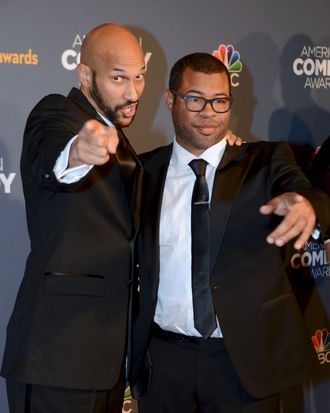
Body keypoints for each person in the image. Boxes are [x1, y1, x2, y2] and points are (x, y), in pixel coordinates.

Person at [130, 53, 330, 412]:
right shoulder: (143, 172)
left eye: (220, 101)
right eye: (195, 99)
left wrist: (307, 205)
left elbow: (313, 194)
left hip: (246, 362)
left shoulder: (266, 161)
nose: (209, 112)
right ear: (170, 99)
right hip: (163, 362)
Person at [0, 23, 146, 413]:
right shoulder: (57, 112)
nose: (133, 93)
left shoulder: (121, 139)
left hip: (107, 361)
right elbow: (54, 153)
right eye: (118, 78)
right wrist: (78, 151)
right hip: (57, 360)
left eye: (139, 77)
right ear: (86, 76)